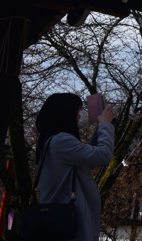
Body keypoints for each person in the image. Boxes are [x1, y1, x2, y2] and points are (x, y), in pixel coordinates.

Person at [35, 93, 115, 241]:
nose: (81, 114)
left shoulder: (50, 141)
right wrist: (105, 125)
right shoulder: (61, 141)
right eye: (78, 109)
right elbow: (103, 154)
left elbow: (89, 160)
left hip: (57, 217)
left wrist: (100, 128)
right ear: (66, 112)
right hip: (68, 220)